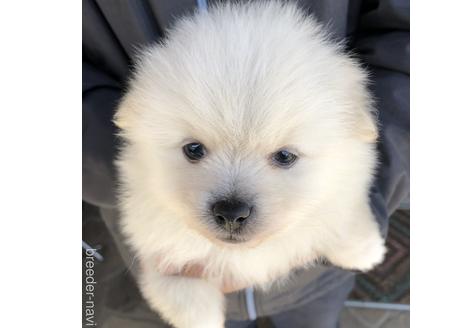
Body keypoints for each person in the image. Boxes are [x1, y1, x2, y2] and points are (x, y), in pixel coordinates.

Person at [82, 0, 409, 327]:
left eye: (284, 157)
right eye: (195, 150)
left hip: (318, 280)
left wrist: (354, 218)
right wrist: (183, 293)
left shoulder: (334, 108)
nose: (232, 205)